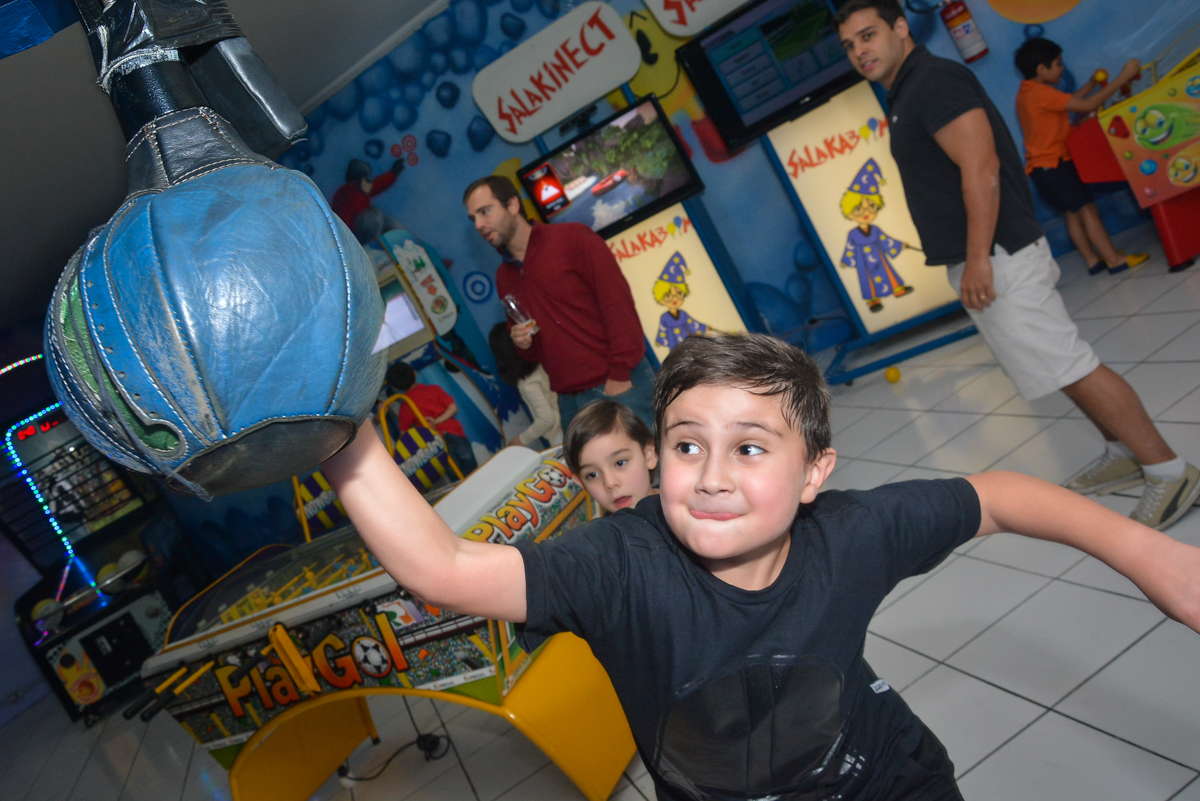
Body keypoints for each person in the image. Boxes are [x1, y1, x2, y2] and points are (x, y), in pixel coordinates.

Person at [322, 332, 1200, 801]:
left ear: (815, 470)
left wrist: (1146, 550)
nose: (709, 474)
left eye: (749, 447)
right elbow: (438, 567)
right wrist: (338, 427)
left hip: (889, 781)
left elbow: (999, 493)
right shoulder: (620, 565)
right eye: (687, 444)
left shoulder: (850, 534)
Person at [836, 0, 1200, 530]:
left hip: (998, 254)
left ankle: (1169, 470)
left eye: (867, 36)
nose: (859, 51)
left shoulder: (933, 81)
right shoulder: (908, 90)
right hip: (982, 257)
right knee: (1058, 367)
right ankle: (1123, 452)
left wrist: (979, 258)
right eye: (849, 45)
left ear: (899, 27)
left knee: (1072, 363)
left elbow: (980, 166)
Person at [463, 175, 656, 432]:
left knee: (661, 467)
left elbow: (618, 306)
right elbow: (531, 352)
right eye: (473, 218)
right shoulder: (504, 277)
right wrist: (522, 341)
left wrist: (619, 376)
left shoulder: (572, 239)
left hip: (619, 385)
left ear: (512, 206)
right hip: (568, 403)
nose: (479, 224)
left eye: (485, 212)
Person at [1014, 37, 1149, 275]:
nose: (1061, 68)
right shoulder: (1042, 95)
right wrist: (1123, 77)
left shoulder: (1028, 92)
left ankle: (1093, 261)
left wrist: (1090, 84)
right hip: (1055, 164)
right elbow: (1085, 106)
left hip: (1041, 169)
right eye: (1057, 64)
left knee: (1072, 214)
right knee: (1088, 210)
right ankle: (1115, 261)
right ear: (1042, 69)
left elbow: (1070, 102)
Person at [383, 361, 478, 476]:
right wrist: (437, 421)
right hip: (454, 433)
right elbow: (453, 408)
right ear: (415, 373)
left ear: (396, 388)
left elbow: (404, 434)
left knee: (456, 476)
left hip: (435, 444)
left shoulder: (405, 406)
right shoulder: (434, 389)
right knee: (474, 470)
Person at [562, 399, 657, 514]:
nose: (610, 483)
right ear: (581, 482)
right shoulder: (605, 532)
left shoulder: (682, 501)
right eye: (592, 475)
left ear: (649, 454)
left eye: (620, 463)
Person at [488, 323, 562, 449]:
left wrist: (521, 439)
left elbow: (546, 419)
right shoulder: (543, 365)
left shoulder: (527, 384)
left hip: (560, 437)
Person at [331, 158, 404, 232]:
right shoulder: (346, 195)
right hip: (353, 234)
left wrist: (393, 173)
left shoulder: (362, 191)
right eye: (367, 179)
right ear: (357, 180)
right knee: (375, 214)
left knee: (388, 222)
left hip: (358, 229)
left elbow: (378, 184)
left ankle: (399, 236)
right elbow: (341, 219)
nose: (370, 183)